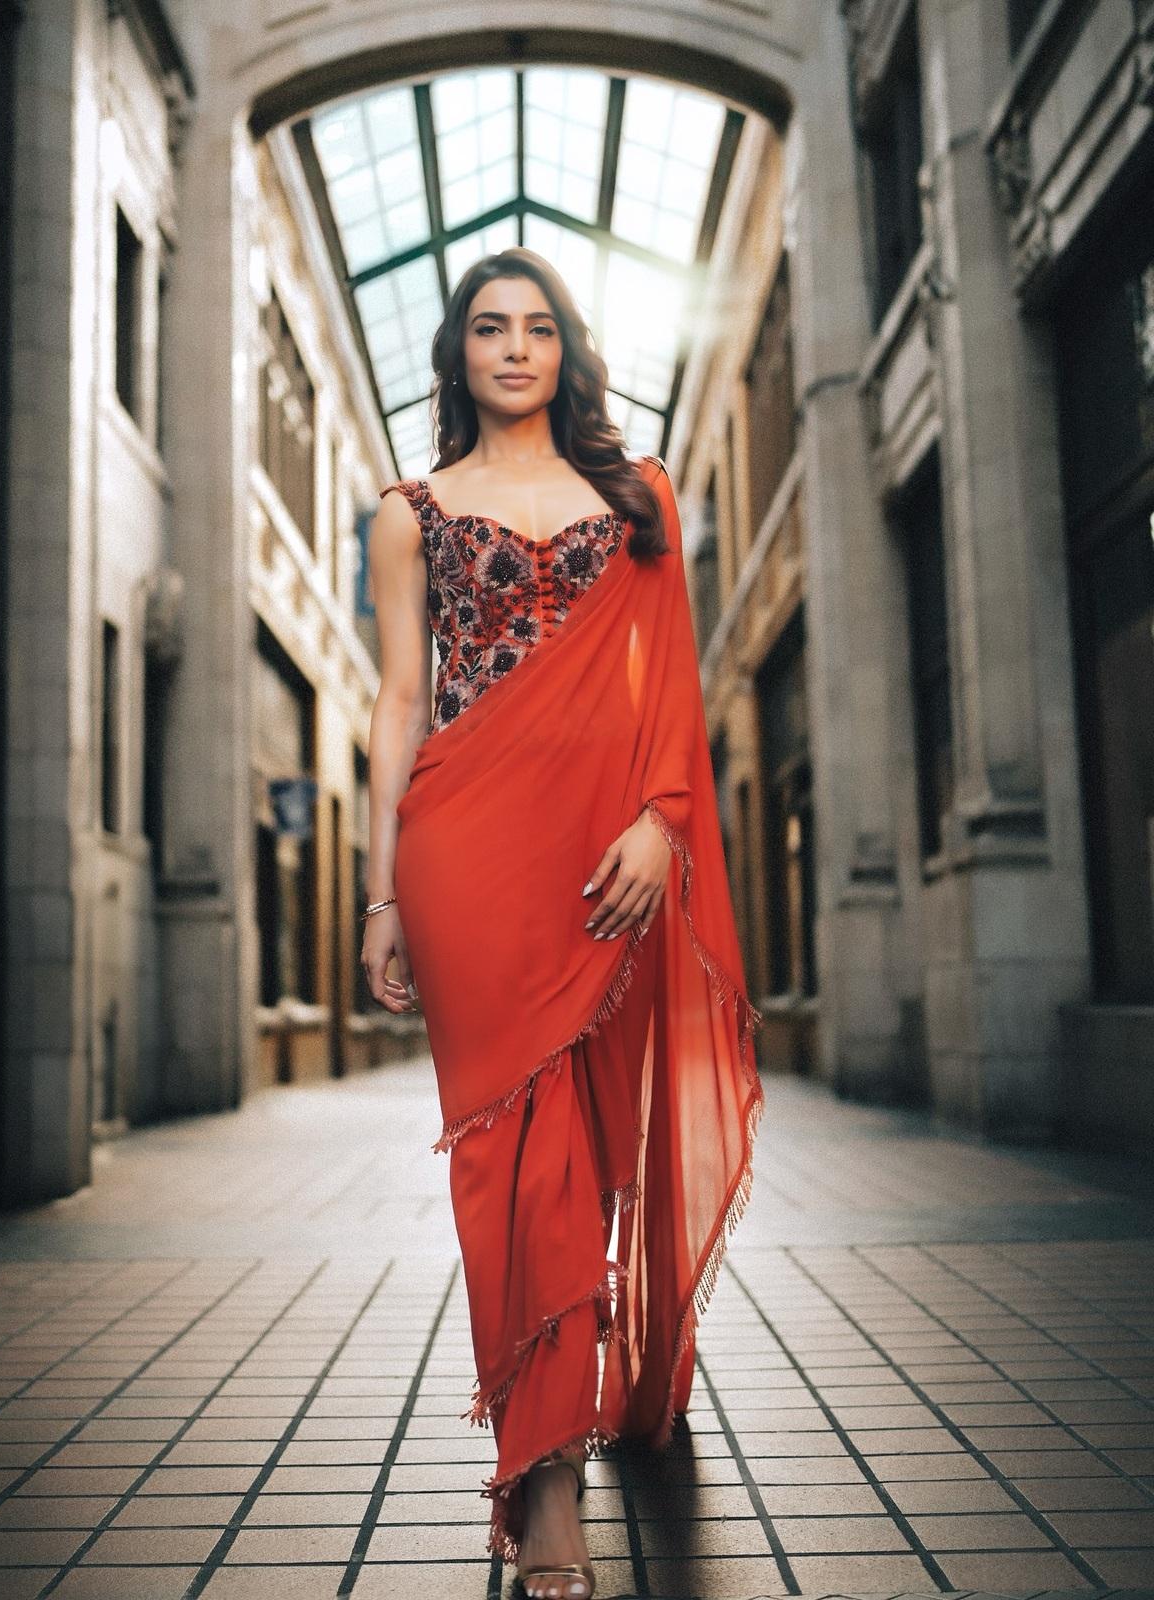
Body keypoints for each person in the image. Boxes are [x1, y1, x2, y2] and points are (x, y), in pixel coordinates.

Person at [362, 247, 762, 1599]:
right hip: (463, 846)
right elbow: (396, 702)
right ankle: (545, 1481)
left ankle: (577, 1420)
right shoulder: (408, 512)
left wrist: (662, 816)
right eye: (491, 327)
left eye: (539, 328)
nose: (516, 348)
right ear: (458, 352)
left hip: (610, 851)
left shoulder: (635, 497)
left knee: (587, 1149)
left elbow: (671, 680)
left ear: (567, 349)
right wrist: (379, 892)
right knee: (504, 1162)